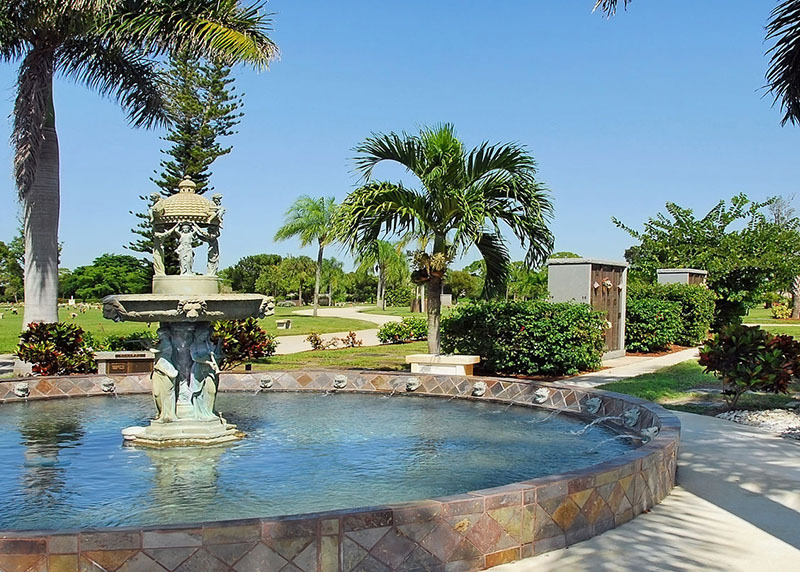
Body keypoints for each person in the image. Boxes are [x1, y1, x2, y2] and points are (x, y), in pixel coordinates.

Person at [190, 328, 222, 420]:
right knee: (198, 391)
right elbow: (194, 358)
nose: (205, 337)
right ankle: (201, 412)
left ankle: (209, 411)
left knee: (211, 390)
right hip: (199, 369)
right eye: (203, 335)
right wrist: (208, 362)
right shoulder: (194, 345)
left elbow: (216, 355)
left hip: (209, 369)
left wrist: (218, 345)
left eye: (206, 335)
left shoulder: (208, 344)